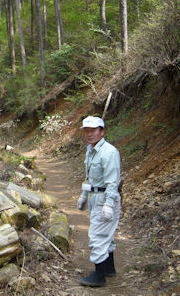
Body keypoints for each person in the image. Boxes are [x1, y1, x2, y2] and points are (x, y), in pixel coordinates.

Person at [77, 116, 121, 287]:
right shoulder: (90, 150)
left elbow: (112, 182)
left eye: (93, 130)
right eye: (87, 130)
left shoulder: (109, 152)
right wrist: (83, 195)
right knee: (106, 237)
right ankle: (109, 269)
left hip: (105, 198)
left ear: (102, 132)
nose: (90, 134)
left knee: (97, 236)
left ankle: (99, 276)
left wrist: (109, 204)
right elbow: (90, 177)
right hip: (94, 197)